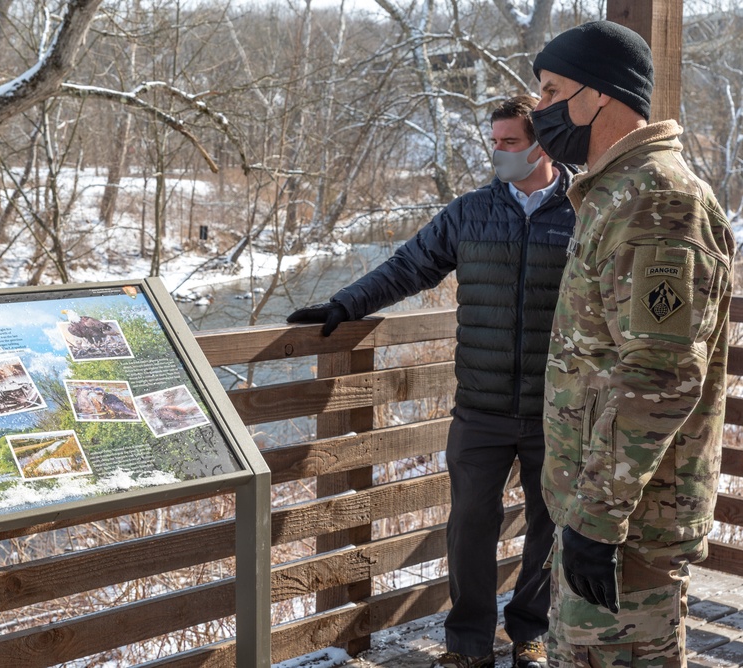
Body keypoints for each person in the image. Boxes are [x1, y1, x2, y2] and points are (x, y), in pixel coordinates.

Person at [288, 96, 576, 668]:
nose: (498, 152)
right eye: (493, 141)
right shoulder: (470, 213)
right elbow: (408, 267)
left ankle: (530, 634)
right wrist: (345, 303)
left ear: (541, 144)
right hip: (481, 407)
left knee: (552, 526)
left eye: (509, 143)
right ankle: (468, 645)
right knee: (470, 524)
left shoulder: (584, 211)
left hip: (558, 408)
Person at [531, 20, 737, 667]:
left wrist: (596, 519)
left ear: (601, 95)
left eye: (551, 89)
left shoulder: (658, 203)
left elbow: (660, 376)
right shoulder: (619, 194)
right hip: (609, 514)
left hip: (628, 528)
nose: (539, 108)